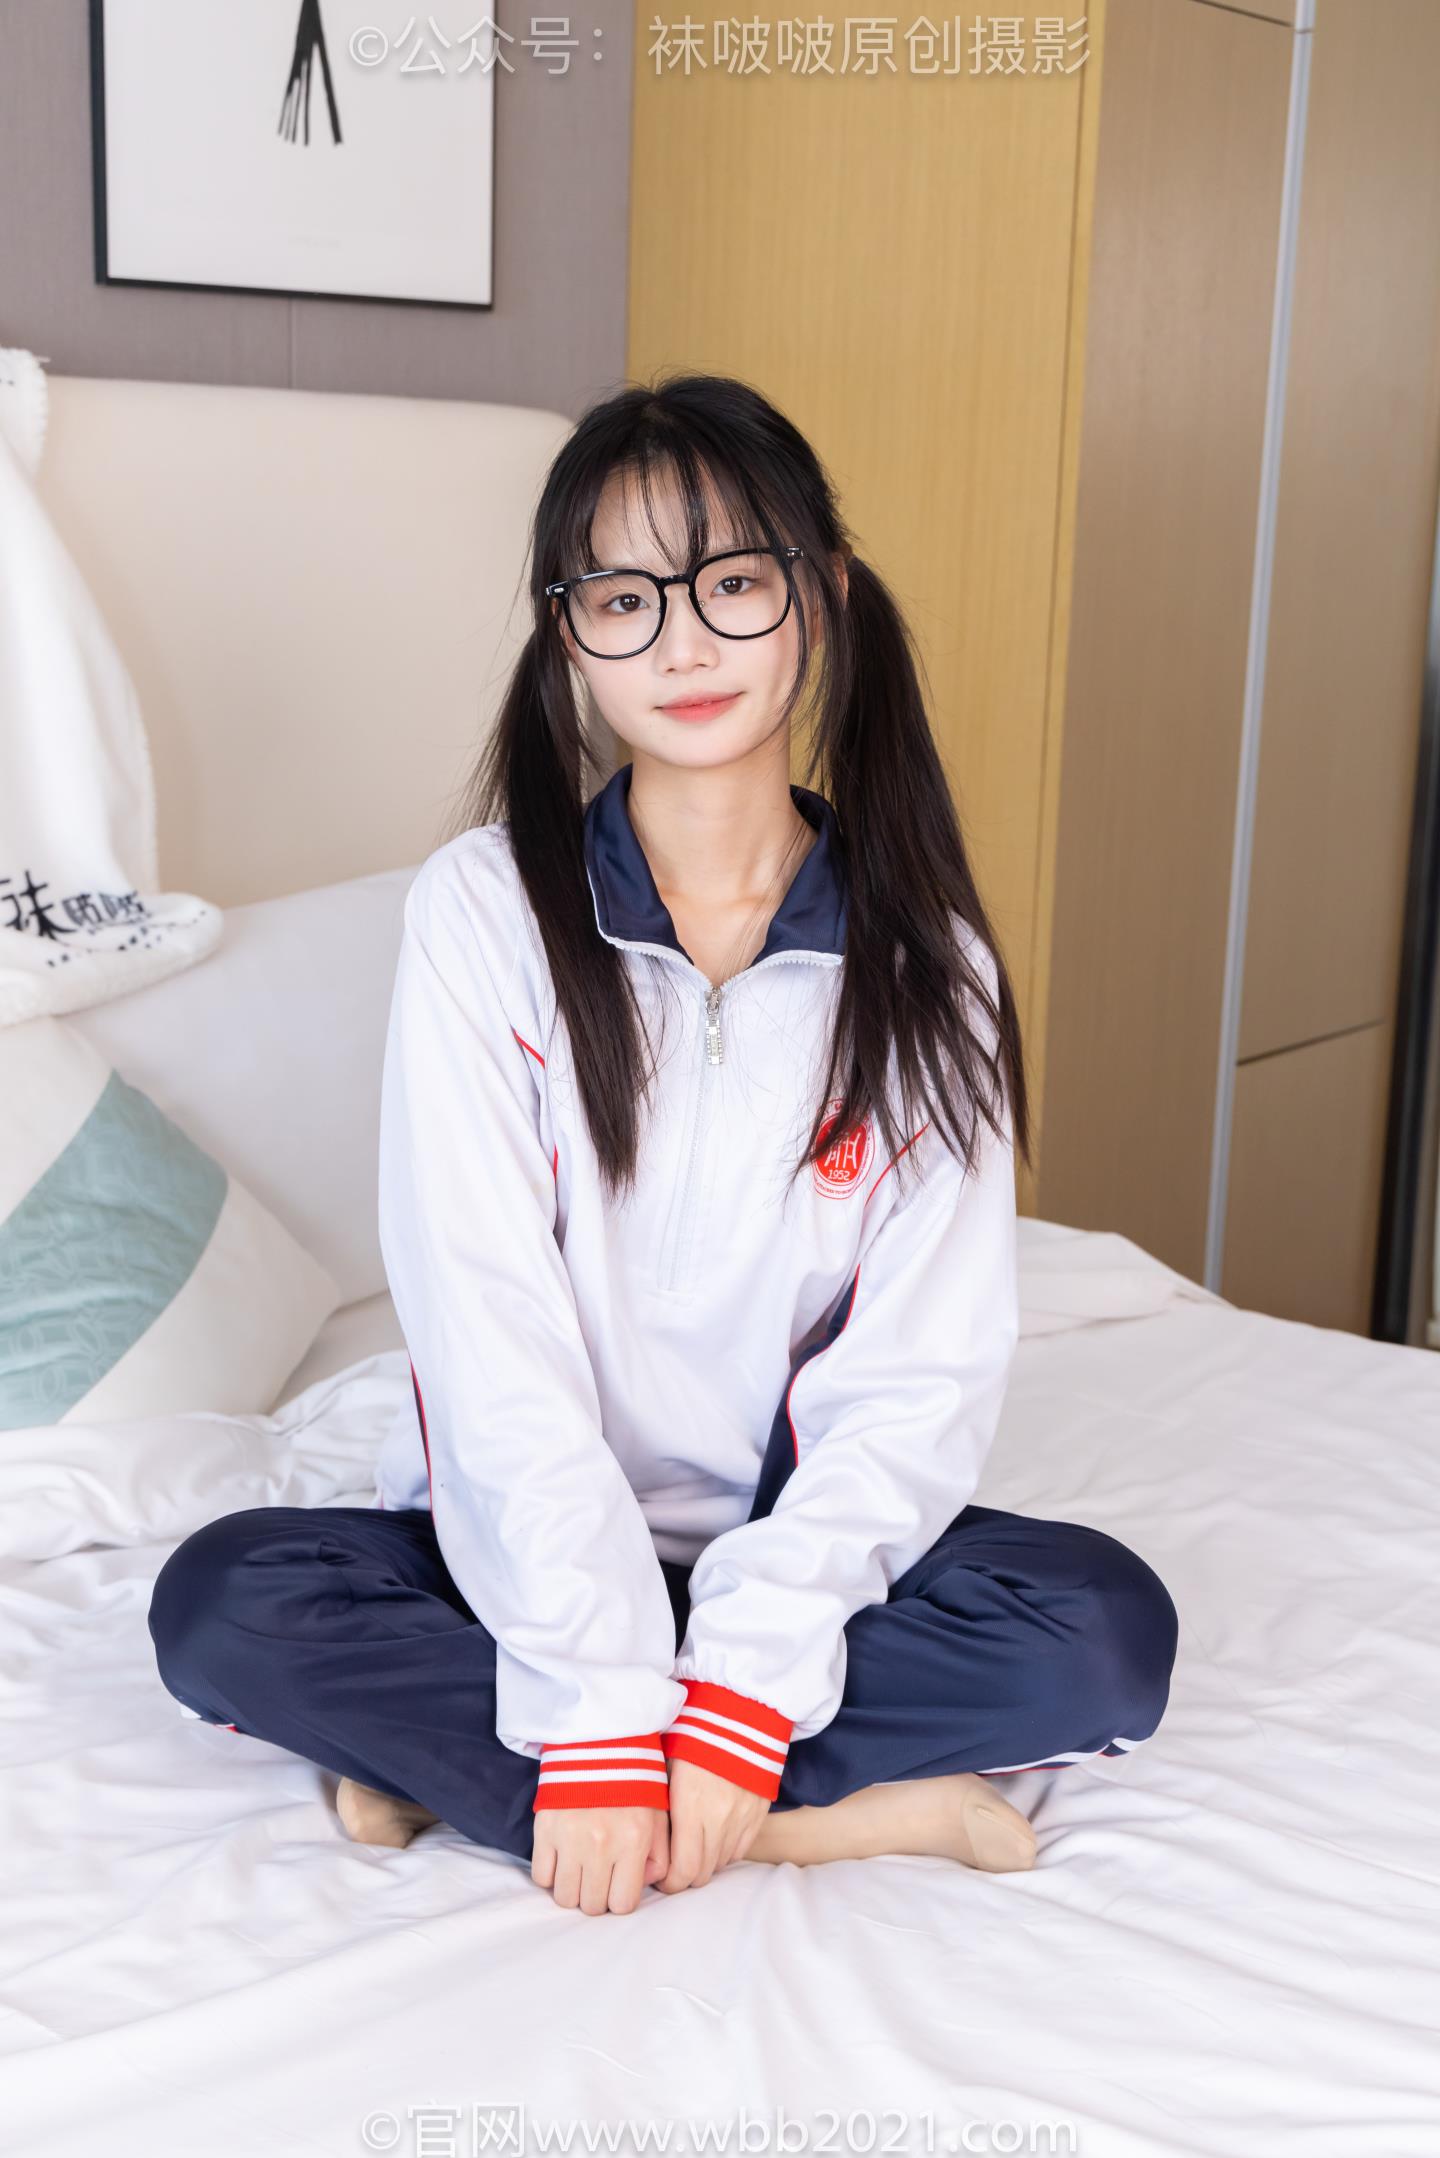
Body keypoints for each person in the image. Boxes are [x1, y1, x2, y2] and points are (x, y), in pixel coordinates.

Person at [148, 372, 1179, 1919]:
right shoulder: (487, 912)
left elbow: (916, 1377)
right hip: (515, 1553)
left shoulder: (927, 962)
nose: (682, 644)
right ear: (570, 640)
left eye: (732, 583)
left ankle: (482, 1771)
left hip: (790, 1563)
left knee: (1106, 1628)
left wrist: (746, 1678)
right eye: (625, 599)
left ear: (823, 597)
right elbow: (485, 1322)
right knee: (223, 1601)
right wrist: (595, 1684)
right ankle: (791, 1813)